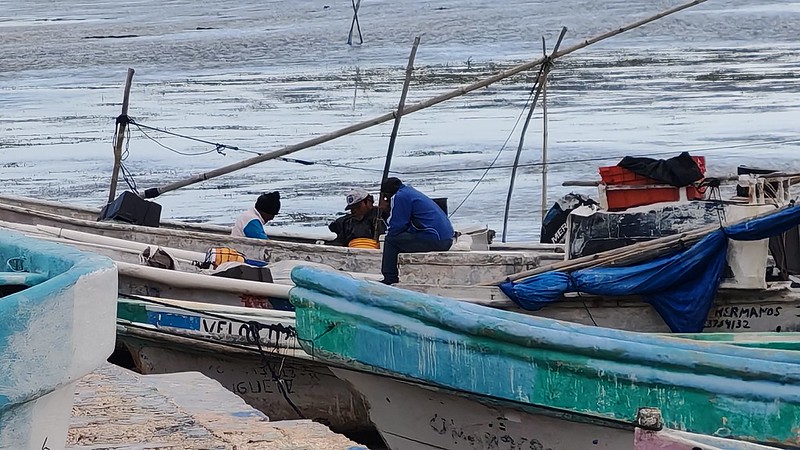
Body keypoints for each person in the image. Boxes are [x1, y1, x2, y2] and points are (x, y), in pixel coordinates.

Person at [380, 177, 454, 285]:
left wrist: (385, 213)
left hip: (435, 239)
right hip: (445, 238)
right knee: (400, 239)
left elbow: (397, 226)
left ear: (387, 195)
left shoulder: (400, 197)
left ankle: (389, 278)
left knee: (391, 241)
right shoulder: (409, 192)